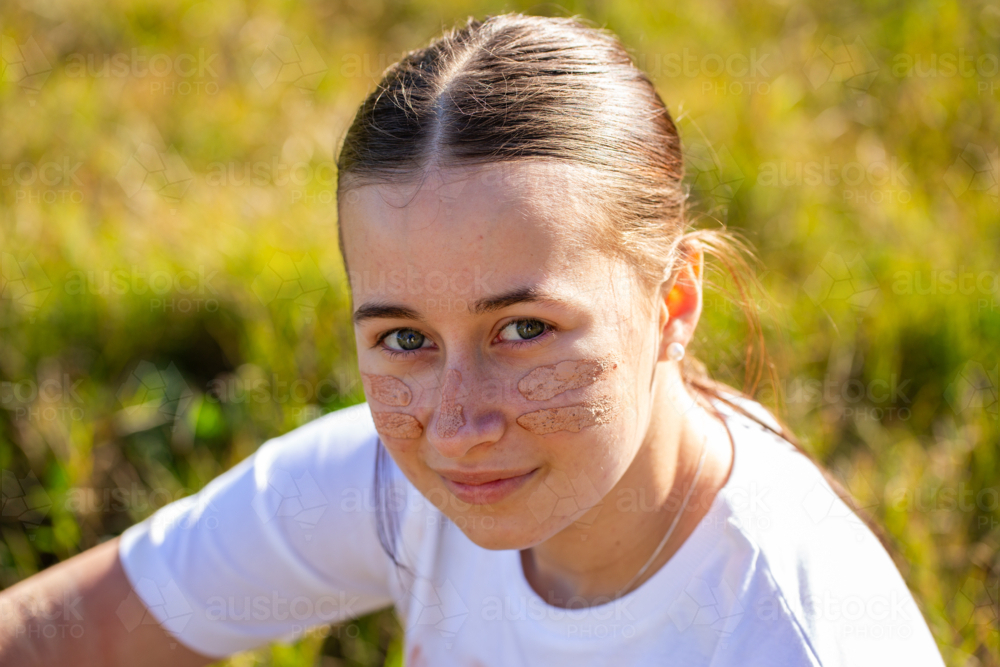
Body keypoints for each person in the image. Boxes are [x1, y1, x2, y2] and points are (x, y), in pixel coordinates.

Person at [0, 13, 945, 667]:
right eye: (405, 338)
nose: (456, 427)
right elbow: (54, 635)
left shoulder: (794, 634)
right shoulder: (392, 488)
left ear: (674, 301)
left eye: (524, 329)